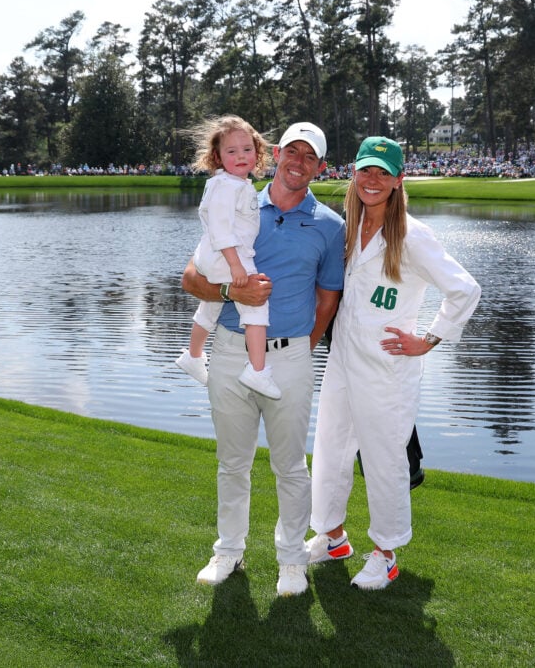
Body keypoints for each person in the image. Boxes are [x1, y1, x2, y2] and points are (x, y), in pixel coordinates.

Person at [306, 136, 481, 590]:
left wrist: (428, 339)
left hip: (387, 368)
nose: (373, 180)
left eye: (384, 172)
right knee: (329, 450)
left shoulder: (414, 235)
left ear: (399, 179)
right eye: (366, 170)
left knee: (384, 461)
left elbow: (465, 290)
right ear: (353, 174)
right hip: (342, 358)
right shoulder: (345, 228)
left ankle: (385, 553)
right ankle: (332, 535)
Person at [181, 122, 345, 597]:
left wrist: (302, 348)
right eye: (291, 150)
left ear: (319, 167)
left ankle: (292, 559)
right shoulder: (239, 199)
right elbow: (191, 278)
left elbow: (328, 299)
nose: (298, 161)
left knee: (291, 466)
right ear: (275, 154)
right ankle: (229, 550)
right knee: (233, 463)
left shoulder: (330, 227)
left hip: (292, 357)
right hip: (231, 350)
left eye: (309, 156)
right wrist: (234, 289)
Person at [175, 116, 280, 399]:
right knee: (256, 305)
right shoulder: (226, 186)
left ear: (257, 152)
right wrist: (236, 266)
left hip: (214, 255)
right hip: (228, 255)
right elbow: (221, 228)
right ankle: (257, 371)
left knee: (211, 304)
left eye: (247, 149)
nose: (241, 156)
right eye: (231, 151)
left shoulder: (233, 183)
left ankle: (193, 356)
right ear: (217, 157)